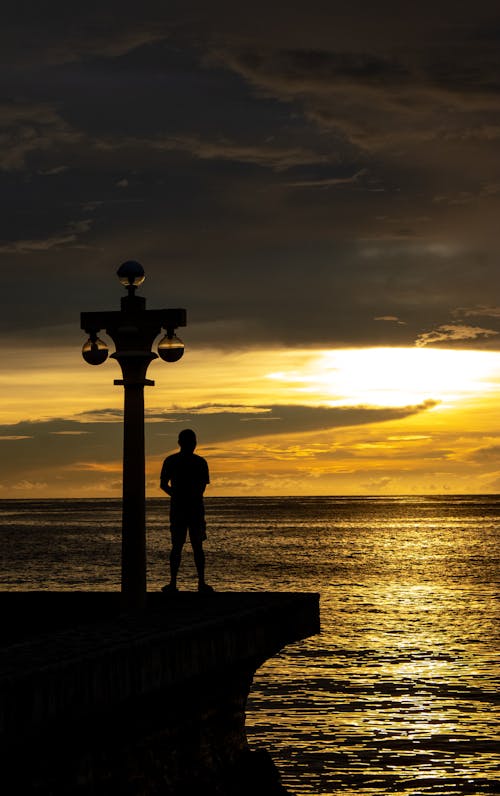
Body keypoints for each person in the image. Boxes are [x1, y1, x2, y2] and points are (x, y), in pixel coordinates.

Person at [160, 428, 213, 593]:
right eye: (192, 441)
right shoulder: (198, 462)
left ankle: (180, 583)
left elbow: (164, 485)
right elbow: (201, 488)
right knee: (188, 546)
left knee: (183, 545)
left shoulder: (174, 461)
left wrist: (176, 496)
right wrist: (181, 496)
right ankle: (192, 583)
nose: (193, 444)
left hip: (184, 508)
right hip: (191, 508)